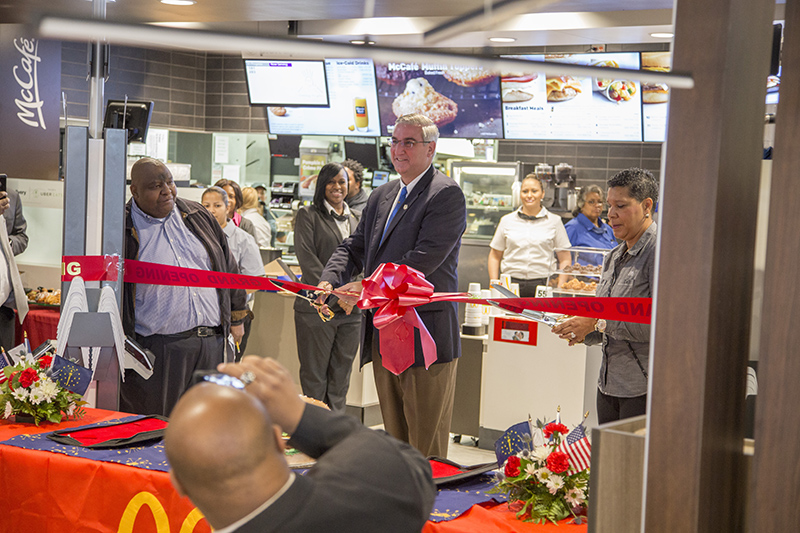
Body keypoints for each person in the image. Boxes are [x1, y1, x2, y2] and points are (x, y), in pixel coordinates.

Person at [318, 113, 467, 458]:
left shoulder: (445, 195)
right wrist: (330, 280)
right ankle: (400, 508)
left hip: (424, 336)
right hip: (385, 335)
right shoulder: (382, 194)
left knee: (425, 447)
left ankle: (432, 512)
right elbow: (354, 247)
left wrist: (363, 288)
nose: (398, 150)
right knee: (396, 445)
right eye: (395, 141)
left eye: (409, 143)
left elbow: (421, 261)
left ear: (430, 149)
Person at [164, 356, 437, 533]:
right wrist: (299, 415)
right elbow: (400, 462)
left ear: (178, 483)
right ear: (277, 441)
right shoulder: (370, 498)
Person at [122, 157, 248, 416]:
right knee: (160, 427)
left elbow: (227, 265)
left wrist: (237, 317)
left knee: (209, 422)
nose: (167, 190)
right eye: (156, 186)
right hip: (162, 349)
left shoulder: (197, 214)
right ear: (134, 190)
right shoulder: (122, 228)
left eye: (169, 182)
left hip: (211, 343)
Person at [552, 167, 658, 424]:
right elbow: (606, 318)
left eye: (620, 206)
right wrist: (583, 329)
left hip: (643, 388)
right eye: (609, 206)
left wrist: (597, 322)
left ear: (646, 206)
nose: (610, 214)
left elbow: (659, 324)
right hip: (609, 385)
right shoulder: (613, 256)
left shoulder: (659, 252)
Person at [293, 162, 361, 412]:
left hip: (351, 311)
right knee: (315, 378)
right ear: (322, 185)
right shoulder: (308, 215)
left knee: (341, 378)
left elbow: (364, 259)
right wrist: (334, 295)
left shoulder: (357, 218)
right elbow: (308, 260)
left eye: (342, 182)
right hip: (317, 308)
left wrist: (352, 295)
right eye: (331, 181)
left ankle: (336, 435)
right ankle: (315, 435)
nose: (337, 187)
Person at [202, 186, 264, 355]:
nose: (211, 211)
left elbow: (255, 281)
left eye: (217, 205)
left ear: (227, 207)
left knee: (230, 367)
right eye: (206, 205)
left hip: (234, 314)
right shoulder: (196, 237)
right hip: (204, 316)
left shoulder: (243, 239)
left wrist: (231, 298)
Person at [487, 173, 571, 297]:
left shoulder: (555, 221)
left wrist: (560, 288)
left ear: (542, 194)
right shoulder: (507, 220)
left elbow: (565, 258)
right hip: (510, 283)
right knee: (508, 316)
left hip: (544, 284)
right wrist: (494, 285)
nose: (529, 195)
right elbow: (494, 255)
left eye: (534, 191)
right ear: (520, 194)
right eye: (525, 191)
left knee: (540, 316)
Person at [0, 187, 28, 350]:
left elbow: (22, 236)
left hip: (5, 304)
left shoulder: (11, 196)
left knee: (5, 370)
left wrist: (8, 244)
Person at [564, 185, 617, 263]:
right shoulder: (572, 228)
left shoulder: (608, 229)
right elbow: (562, 260)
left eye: (599, 202)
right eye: (591, 202)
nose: (597, 205)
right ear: (581, 205)